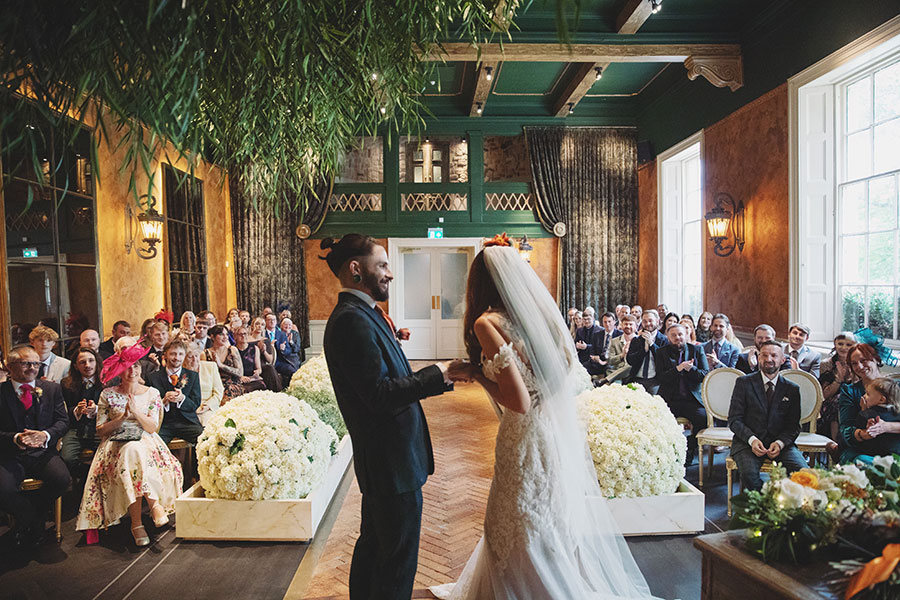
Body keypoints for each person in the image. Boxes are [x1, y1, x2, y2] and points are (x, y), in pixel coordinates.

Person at [430, 242, 653, 600]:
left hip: (522, 436)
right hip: (549, 430)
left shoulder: (487, 323)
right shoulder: (538, 320)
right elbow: (562, 373)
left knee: (512, 517)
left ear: (479, 283)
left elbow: (518, 402)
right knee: (542, 515)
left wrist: (475, 374)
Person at [320, 234, 467, 600]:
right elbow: (379, 394)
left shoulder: (365, 314)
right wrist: (440, 373)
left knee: (376, 548)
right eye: (382, 265)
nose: (390, 273)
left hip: (389, 458)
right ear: (356, 268)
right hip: (389, 460)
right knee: (396, 561)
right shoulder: (351, 321)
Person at [76, 337, 183, 546]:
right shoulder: (108, 394)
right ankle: (154, 505)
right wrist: (122, 418)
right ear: (119, 371)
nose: (132, 371)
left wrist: (135, 412)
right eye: (126, 367)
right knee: (131, 450)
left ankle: (137, 524)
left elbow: (152, 428)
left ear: (140, 369)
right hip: (115, 443)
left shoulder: (152, 393)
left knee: (134, 450)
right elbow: (101, 430)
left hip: (147, 441)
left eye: (135, 366)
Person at [0, 346, 71, 550]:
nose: (32, 368)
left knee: (62, 480)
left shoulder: (51, 389)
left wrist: (45, 435)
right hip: (9, 454)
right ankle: (32, 519)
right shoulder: (1, 392)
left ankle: (29, 521)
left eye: (36, 364)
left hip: (43, 453)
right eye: (26, 363)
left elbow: (63, 421)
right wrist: (15, 438)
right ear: (10, 366)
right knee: (3, 490)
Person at [728, 341, 807, 491]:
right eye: (764, 355)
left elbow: (793, 426)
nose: (769, 359)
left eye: (774, 355)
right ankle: (764, 503)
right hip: (747, 443)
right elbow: (734, 420)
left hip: (781, 444)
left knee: (804, 473)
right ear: (758, 358)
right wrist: (752, 440)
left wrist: (780, 443)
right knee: (749, 476)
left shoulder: (792, 389)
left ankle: (785, 502)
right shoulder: (744, 383)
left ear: (782, 360)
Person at [654, 323, 710, 465]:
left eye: (680, 334)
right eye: (673, 335)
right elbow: (660, 378)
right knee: (658, 420)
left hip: (691, 400)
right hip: (670, 399)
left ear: (686, 335)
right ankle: (669, 451)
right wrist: (678, 369)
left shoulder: (697, 350)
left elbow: (705, 374)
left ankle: (689, 447)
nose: (677, 338)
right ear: (668, 337)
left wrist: (691, 369)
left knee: (703, 418)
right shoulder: (661, 352)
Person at [834, 343, 888, 464]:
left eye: (863, 360)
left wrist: (887, 427)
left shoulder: (895, 387)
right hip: (860, 448)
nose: (859, 366)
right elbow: (845, 429)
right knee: (864, 462)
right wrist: (864, 434)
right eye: (854, 363)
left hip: (892, 445)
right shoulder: (849, 391)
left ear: (876, 359)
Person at [147, 339, 204, 445]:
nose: (177, 358)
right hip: (163, 424)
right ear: (165, 355)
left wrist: (183, 399)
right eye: (173, 354)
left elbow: (195, 403)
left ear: (184, 355)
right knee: (152, 443)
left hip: (187, 423)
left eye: (180, 354)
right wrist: (163, 401)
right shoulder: (153, 378)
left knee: (204, 439)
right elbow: (148, 406)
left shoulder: (193, 376)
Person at [59, 347, 103, 477]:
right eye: (82, 362)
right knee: (67, 458)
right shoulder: (66, 384)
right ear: (76, 366)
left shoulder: (109, 381)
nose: (87, 365)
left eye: (91, 361)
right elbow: (62, 411)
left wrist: (97, 409)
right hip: (76, 428)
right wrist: (76, 410)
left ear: (97, 362)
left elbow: (114, 409)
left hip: (100, 427)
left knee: (106, 454)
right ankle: (84, 479)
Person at [818, 332, 857, 441]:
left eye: (848, 345)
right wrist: (839, 379)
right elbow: (824, 395)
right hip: (830, 403)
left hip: (854, 398)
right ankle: (835, 442)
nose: (844, 348)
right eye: (840, 344)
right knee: (837, 401)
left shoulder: (858, 363)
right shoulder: (826, 364)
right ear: (835, 344)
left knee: (842, 400)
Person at [203, 325, 249, 402]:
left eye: (226, 334)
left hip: (232, 384)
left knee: (228, 392)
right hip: (214, 385)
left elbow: (240, 373)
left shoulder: (232, 350)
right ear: (212, 337)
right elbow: (205, 376)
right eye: (221, 334)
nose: (225, 337)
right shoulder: (205, 353)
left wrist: (221, 365)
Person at [854, 377, 900, 457]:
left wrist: (863, 410)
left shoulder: (866, 415)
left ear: (882, 400)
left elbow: (856, 432)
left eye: (868, 394)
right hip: (896, 454)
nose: (864, 396)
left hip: (875, 455)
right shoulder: (897, 413)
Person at [626, 309, 667, 394]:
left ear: (657, 321)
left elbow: (664, 361)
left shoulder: (664, 340)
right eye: (645, 321)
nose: (648, 324)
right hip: (637, 378)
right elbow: (630, 360)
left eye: (650, 321)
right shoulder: (636, 340)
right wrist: (644, 350)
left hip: (655, 380)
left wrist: (651, 344)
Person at [184, 346, 223, 427]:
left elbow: (219, 391)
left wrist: (208, 405)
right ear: (183, 358)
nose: (194, 359)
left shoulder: (210, 367)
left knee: (209, 425)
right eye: (190, 357)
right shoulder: (181, 370)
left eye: (196, 356)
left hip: (207, 408)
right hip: (188, 410)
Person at [247, 317, 281, 390]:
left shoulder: (266, 340)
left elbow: (270, 360)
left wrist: (264, 351)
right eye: (257, 324)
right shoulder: (247, 340)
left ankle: (275, 392)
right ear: (252, 326)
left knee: (270, 368)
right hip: (249, 365)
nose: (259, 326)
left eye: (262, 325)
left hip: (262, 365)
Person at [232, 325, 270, 391]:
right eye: (240, 334)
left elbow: (259, 368)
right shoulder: (232, 350)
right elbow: (231, 370)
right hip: (239, 379)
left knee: (262, 385)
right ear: (235, 336)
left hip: (252, 378)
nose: (243, 336)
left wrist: (257, 372)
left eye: (245, 334)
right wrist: (240, 377)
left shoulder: (255, 348)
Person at [275, 317, 303, 388]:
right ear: (281, 326)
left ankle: (294, 387)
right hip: (282, 358)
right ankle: (289, 387)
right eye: (285, 324)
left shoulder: (295, 334)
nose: (288, 326)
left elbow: (296, 349)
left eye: (290, 325)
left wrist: (291, 342)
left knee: (296, 371)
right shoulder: (278, 334)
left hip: (293, 358)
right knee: (292, 371)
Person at [574, 309, 602, 373]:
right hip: (582, 357)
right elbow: (575, 343)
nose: (586, 321)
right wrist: (577, 345)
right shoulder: (579, 330)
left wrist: (586, 346)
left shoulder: (600, 330)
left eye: (588, 319)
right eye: (584, 319)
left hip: (594, 359)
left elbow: (599, 348)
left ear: (593, 318)